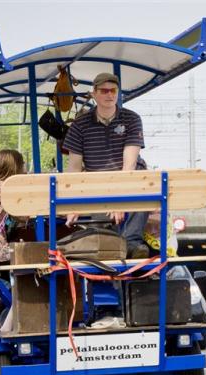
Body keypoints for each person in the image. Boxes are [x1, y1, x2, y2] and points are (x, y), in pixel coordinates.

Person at [61, 72, 149, 258]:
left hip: (127, 179)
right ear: (94, 94)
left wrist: (119, 199)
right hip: (97, 182)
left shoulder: (131, 119)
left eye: (113, 90)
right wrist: (73, 202)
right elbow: (75, 168)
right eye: (104, 90)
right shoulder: (80, 125)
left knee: (141, 186)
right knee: (102, 237)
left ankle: (133, 245)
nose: (110, 95)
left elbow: (129, 164)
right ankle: (105, 246)